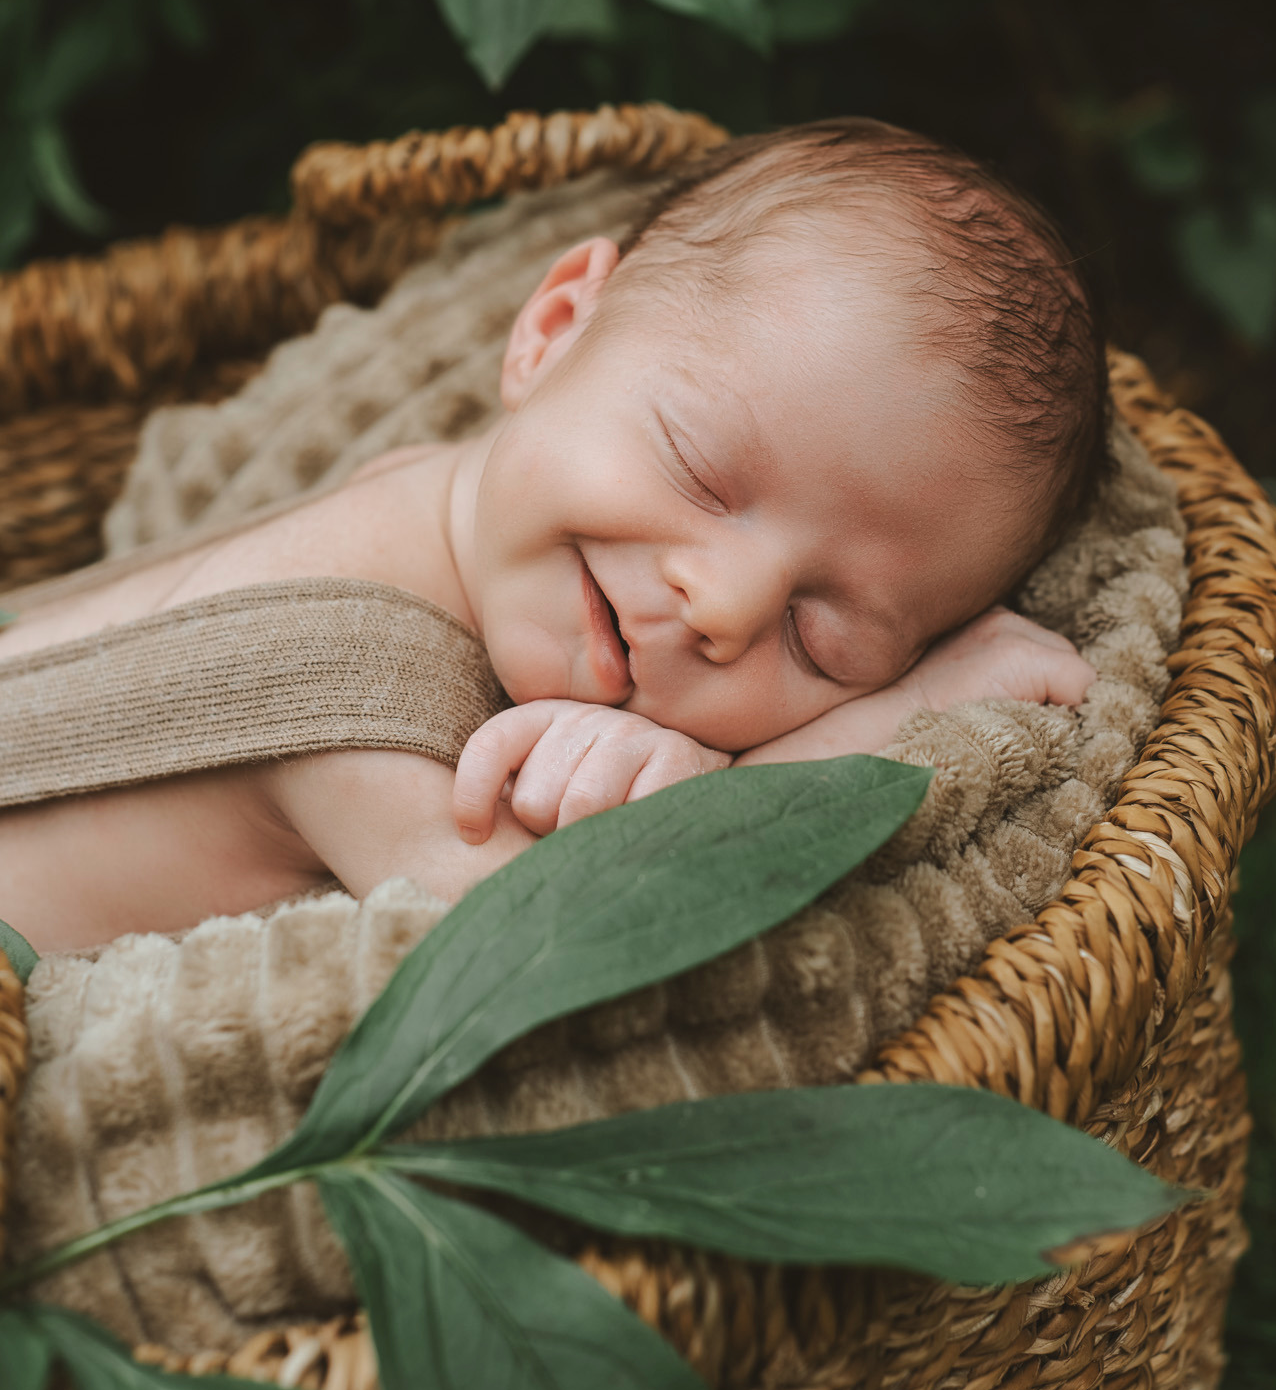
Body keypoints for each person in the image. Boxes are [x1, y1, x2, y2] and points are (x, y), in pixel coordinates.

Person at [0, 120, 1103, 953]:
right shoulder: (353, 705)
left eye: (822, 641)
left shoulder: (437, 502)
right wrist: (893, 721)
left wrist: (677, 753)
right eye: (703, 472)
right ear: (553, 327)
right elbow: (567, 949)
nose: (723, 606)